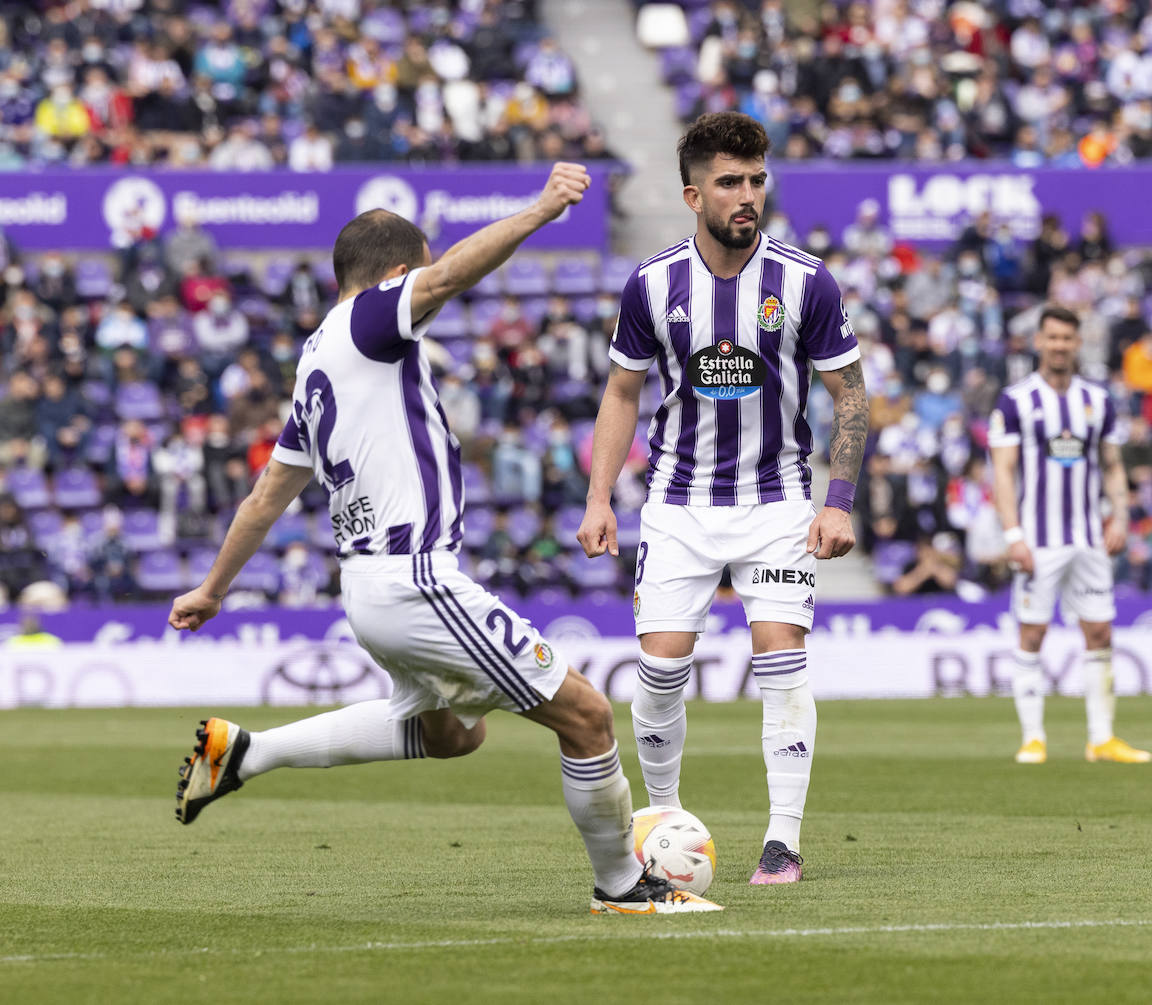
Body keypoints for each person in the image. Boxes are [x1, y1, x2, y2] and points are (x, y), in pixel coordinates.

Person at [167, 163, 718, 916]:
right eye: (414, 276)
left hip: (368, 589)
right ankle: (623, 885)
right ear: (395, 273)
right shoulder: (370, 320)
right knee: (586, 716)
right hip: (413, 578)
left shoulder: (315, 364)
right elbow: (447, 277)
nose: (421, 290)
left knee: (455, 736)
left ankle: (246, 752)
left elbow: (267, 495)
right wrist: (541, 210)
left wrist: (212, 588)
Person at [576, 112, 869, 885]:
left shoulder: (806, 281)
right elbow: (620, 393)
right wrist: (599, 496)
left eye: (756, 180)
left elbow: (851, 396)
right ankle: (665, 823)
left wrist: (836, 499)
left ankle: (782, 839)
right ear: (692, 193)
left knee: (782, 659)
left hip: (776, 504)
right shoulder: (653, 283)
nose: (747, 196)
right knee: (661, 668)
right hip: (678, 503)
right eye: (730, 183)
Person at [988, 305, 1152, 765]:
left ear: (1078, 344)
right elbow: (1002, 473)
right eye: (1053, 337)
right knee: (1032, 633)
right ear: (1038, 341)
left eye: (1067, 338)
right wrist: (1013, 534)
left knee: (1099, 631)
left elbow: (1114, 466)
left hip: (1088, 538)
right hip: (1037, 539)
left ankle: (1101, 739)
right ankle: (1033, 738)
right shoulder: (1016, 400)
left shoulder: (1098, 400)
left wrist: (1119, 517)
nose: (1059, 345)